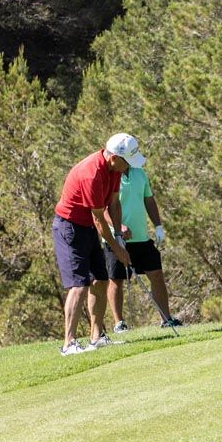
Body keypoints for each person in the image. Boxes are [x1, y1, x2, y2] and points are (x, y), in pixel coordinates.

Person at [52, 133, 142, 355]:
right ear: (114, 158)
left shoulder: (115, 171)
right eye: (127, 162)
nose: (128, 167)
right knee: (79, 284)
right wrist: (118, 250)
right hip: (69, 228)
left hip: (87, 228)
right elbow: (99, 219)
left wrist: (119, 236)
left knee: (100, 280)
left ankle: (97, 338)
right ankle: (69, 343)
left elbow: (114, 203)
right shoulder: (92, 174)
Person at [103, 161, 181, 330]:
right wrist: (119, 227)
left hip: (142, 238)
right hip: (117, 239)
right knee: (116, 280)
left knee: (157, 275)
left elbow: (149, 200)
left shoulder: (139, 173)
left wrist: (158, 225)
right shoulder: (109, 176)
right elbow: (103, 209)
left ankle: (167, 320)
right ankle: (119, 324)